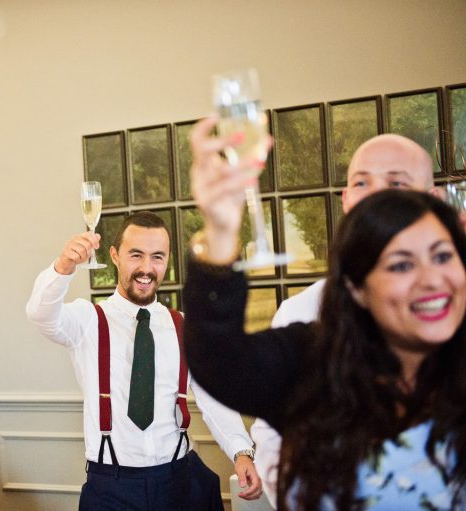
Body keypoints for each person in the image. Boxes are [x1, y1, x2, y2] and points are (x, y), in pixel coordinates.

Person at [183, 116, 466, 509]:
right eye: (400, 265)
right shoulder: (317, 361)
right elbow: (220, 362)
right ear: (357, 287)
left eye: (442, 256)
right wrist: (219, 233)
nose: (432, 280)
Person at [26, 211, 262, 510]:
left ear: (167, 260)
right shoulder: (87, 321)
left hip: (182, 481)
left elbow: (215, 397)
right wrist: (63, 266)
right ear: (115, 255)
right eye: (136, 255)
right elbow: (40, 314)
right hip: (112, 488)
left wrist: (241, 451)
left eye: (157, 257)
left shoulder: (185, 327)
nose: (146, 268)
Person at [251, 133, 435, 507]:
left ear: (433, 201)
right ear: (346, 199)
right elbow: (271, 440)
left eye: (396, 183)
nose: (375, 197)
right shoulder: (300, 313)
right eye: (362, 183)